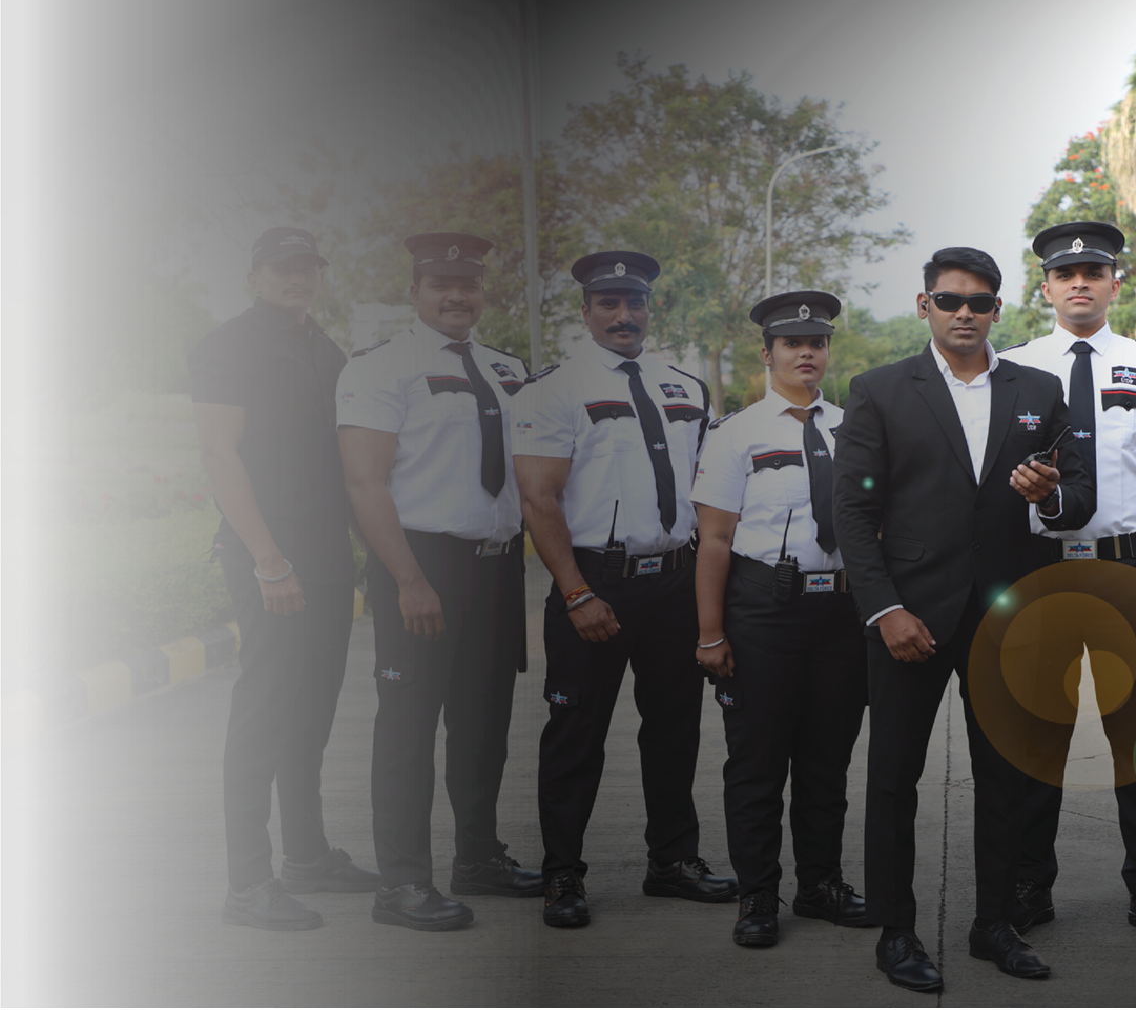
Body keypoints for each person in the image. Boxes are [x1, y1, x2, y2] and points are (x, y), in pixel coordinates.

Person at [833, 246, 1095, 991]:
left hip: (1006, 615)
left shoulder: (1038, 389)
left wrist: (1048, 494)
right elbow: (852, 511)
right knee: (893, 779)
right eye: (949, 300)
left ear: (997, 310)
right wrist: (886, 609)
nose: (964, 314)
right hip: (909, 617)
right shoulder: (881, 390)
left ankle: (994, 923)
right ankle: (896, 930)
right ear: (925, 306)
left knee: (1006, 777)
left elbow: (1079, 496)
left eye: (979, 302)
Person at [997, 221, 1136, 946]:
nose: (1079, 282)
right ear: (1045, 288)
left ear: (1117, 284)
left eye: (1093, 272)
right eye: (1065, 273)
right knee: (1037, 734)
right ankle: (1028, 885)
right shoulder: (1011, 367)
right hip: (1040, 572)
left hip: (1129, 566)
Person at [513, 251, 733, 930]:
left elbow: (712, 491)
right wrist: (576, 594)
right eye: (607, 303)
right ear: (585, 312)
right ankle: (562, 873)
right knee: (575, 736)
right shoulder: (553, 390)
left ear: (648, 308)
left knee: (674, 732)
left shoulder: (685, 387)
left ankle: (672, 860)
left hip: (674, 582)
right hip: (594, 583)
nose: (623, 315)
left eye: (634, 302)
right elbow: (539, 498)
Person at [337, 232, 540, 931]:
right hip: (422, 565)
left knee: (483, 727)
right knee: (408, 728)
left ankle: (477, 858)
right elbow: (364, 484)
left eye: (469, 284)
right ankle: (400, 883)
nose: (457, 296)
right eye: (441, 284)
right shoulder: (380, 367)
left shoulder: (508, 370)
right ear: (415, 291)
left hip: (497, 567)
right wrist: (408, 578)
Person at [191, 227, 378, 930]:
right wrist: (269, 560)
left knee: (311, 713)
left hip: (327, 558)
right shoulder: (227, 345)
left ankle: (307, 855)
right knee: (264, 713)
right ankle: (247, 883)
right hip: (269, 558)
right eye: (281, 268)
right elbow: (220, 456)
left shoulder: (323, 347)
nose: (297, 278)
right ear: (255, 276)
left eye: (308, 268)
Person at [691, 290, 871, 948]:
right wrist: (710, 633)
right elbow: (714, 540)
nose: (806, 353)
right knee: (757, 764)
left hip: (840, 614)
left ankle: (820, 885)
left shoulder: (854, 428)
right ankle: (758, 895)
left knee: (827, 764)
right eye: (792, 343)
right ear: (767, 354)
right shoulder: (736, 433)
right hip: (764, 613)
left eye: (817, 343)